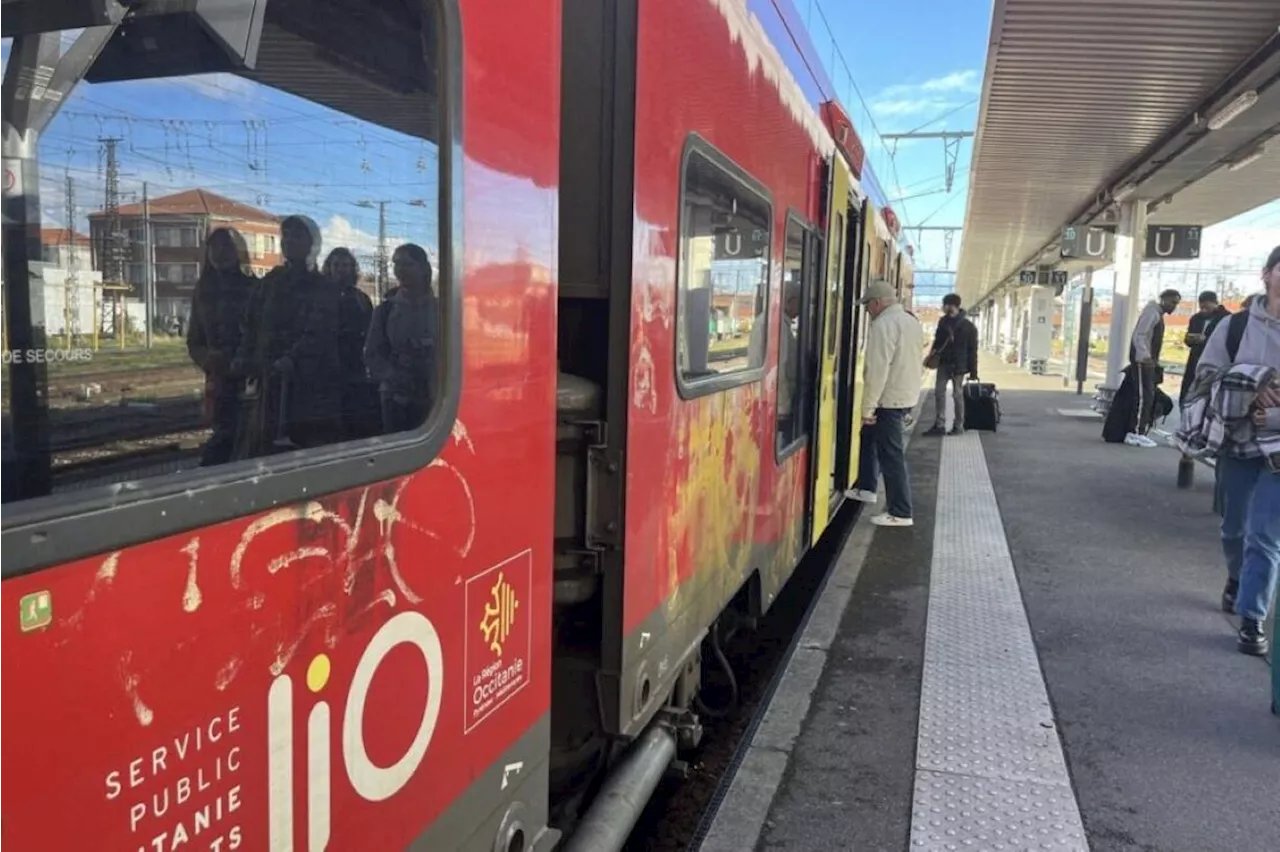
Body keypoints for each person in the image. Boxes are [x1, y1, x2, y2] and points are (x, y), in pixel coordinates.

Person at [1196, 246, 1280, 655]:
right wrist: (1253, 386)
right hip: (1237, 441)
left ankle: (1253, 617)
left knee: (1265, 535)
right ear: (1267, 274)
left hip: (1278, 449)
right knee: (1235, 529)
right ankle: (1235, 577)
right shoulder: (1235, 326)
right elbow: (1205, 376)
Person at [230, 215, 343, 458]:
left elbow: (319, 331)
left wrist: (292, 358)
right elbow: (250, 323)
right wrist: (245, 357)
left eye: (298, 236)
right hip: (269, 382)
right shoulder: (270, 282)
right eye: (286, 236)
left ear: (312, 243)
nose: (289, 241)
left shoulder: (324, 287)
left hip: (310, 388)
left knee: (306, 446)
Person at [846, 279, 924, 527]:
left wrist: (868, 408)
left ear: (877, 303)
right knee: (868, 437)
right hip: (905, 395)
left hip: (888, 399)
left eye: (868, 304)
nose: (867, 309)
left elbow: (878, 370)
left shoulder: (883, 325)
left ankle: (901, 512)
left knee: (891, 455)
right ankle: (867, 487)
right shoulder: (911, 322)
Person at [186, 228, 255, 466]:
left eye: (226, 247)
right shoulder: (203, 291)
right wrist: (206, 358)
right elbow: (194, 338)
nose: (219, 254)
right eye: (214, 248)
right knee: (226, 432)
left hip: (250, 378)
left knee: (240, 436)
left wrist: (245, 360)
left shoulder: (253, 288)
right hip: (219, 379)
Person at [364, 243, 441, 433]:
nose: (400, 270)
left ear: (423, 268)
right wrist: (394, 376)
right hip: (396, 400)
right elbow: (371, 355)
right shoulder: (385, 310)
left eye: (407, 264)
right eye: (396, 264)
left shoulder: (442, 309)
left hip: (435, 398)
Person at [1105, 288, 1180, 447]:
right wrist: (1144, 354)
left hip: (1147, 360)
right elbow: (1140, 334)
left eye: (1176, 303)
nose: (1174, 306)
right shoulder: (1151, 313)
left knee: (1147, 395)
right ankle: (1135, 432)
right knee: (1143, 396)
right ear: (1163, 299)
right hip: (1142, 361)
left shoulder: (1156, 314)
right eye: (1172, 302)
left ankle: (1138, 430)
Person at [323, 247, 380, 439]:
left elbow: (372, 334)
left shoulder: (361, 298)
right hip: (326, 368)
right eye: (337, 265)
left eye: (346, 265)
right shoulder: (319, 297)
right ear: (329, 267)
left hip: (355, 368)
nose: (341, 270)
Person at [924, 292, 979, 436]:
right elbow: (937, 341)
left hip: (959, 366)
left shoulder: (968, 326)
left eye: (945, 304)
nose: (943, 307)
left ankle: (958, 425)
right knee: (939, 392)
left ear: (951, 306)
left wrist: (974, 371)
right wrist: (931, 355)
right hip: (943, 362)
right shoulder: (943, 322)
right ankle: (940, 424)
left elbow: (973, 350)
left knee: (957, 394)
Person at [1181, 290, 1230, 405]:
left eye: (1207, 308)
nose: (1204, 311)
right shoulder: (1196, 318)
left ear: (1215, 303)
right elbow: (1188, 337)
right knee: (1190, 387)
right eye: (1201, 308)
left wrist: (1206, 340)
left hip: (1216, 361)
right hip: (1196, 358)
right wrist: (1190, 339)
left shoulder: (1226, 318)